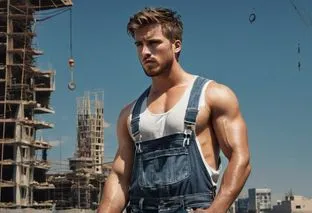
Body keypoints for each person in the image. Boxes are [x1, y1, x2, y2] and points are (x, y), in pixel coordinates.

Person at [98, 7, 251, 213]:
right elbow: (120, 177)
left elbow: (240, 158)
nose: (145, 52)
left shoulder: (213, 95)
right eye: (139, 44)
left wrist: (216, 210)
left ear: (176, 45)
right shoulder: (130, 114)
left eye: (153, 43)